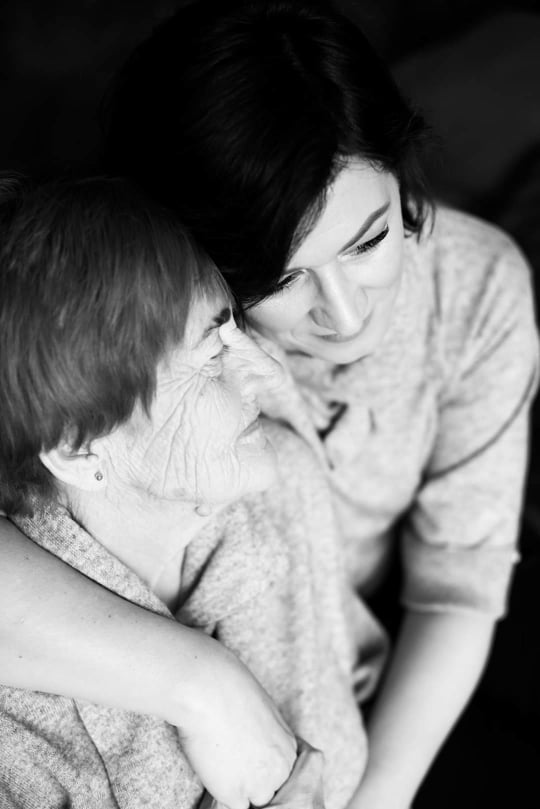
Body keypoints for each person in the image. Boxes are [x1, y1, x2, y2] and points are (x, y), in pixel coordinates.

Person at [0, 0, 537, 805]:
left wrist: (374, 797)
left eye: (369, 241)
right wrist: (199, 682)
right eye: (282, 279)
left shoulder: (477, 290)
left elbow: (460, 587)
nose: (346, 318)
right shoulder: (116, 316)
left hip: (351, 674)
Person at [0, 176, 372, 809]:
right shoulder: (19, 740)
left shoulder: (282, 482)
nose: (265, 375)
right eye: (211, 358)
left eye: (237, 333)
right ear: (79, 449)